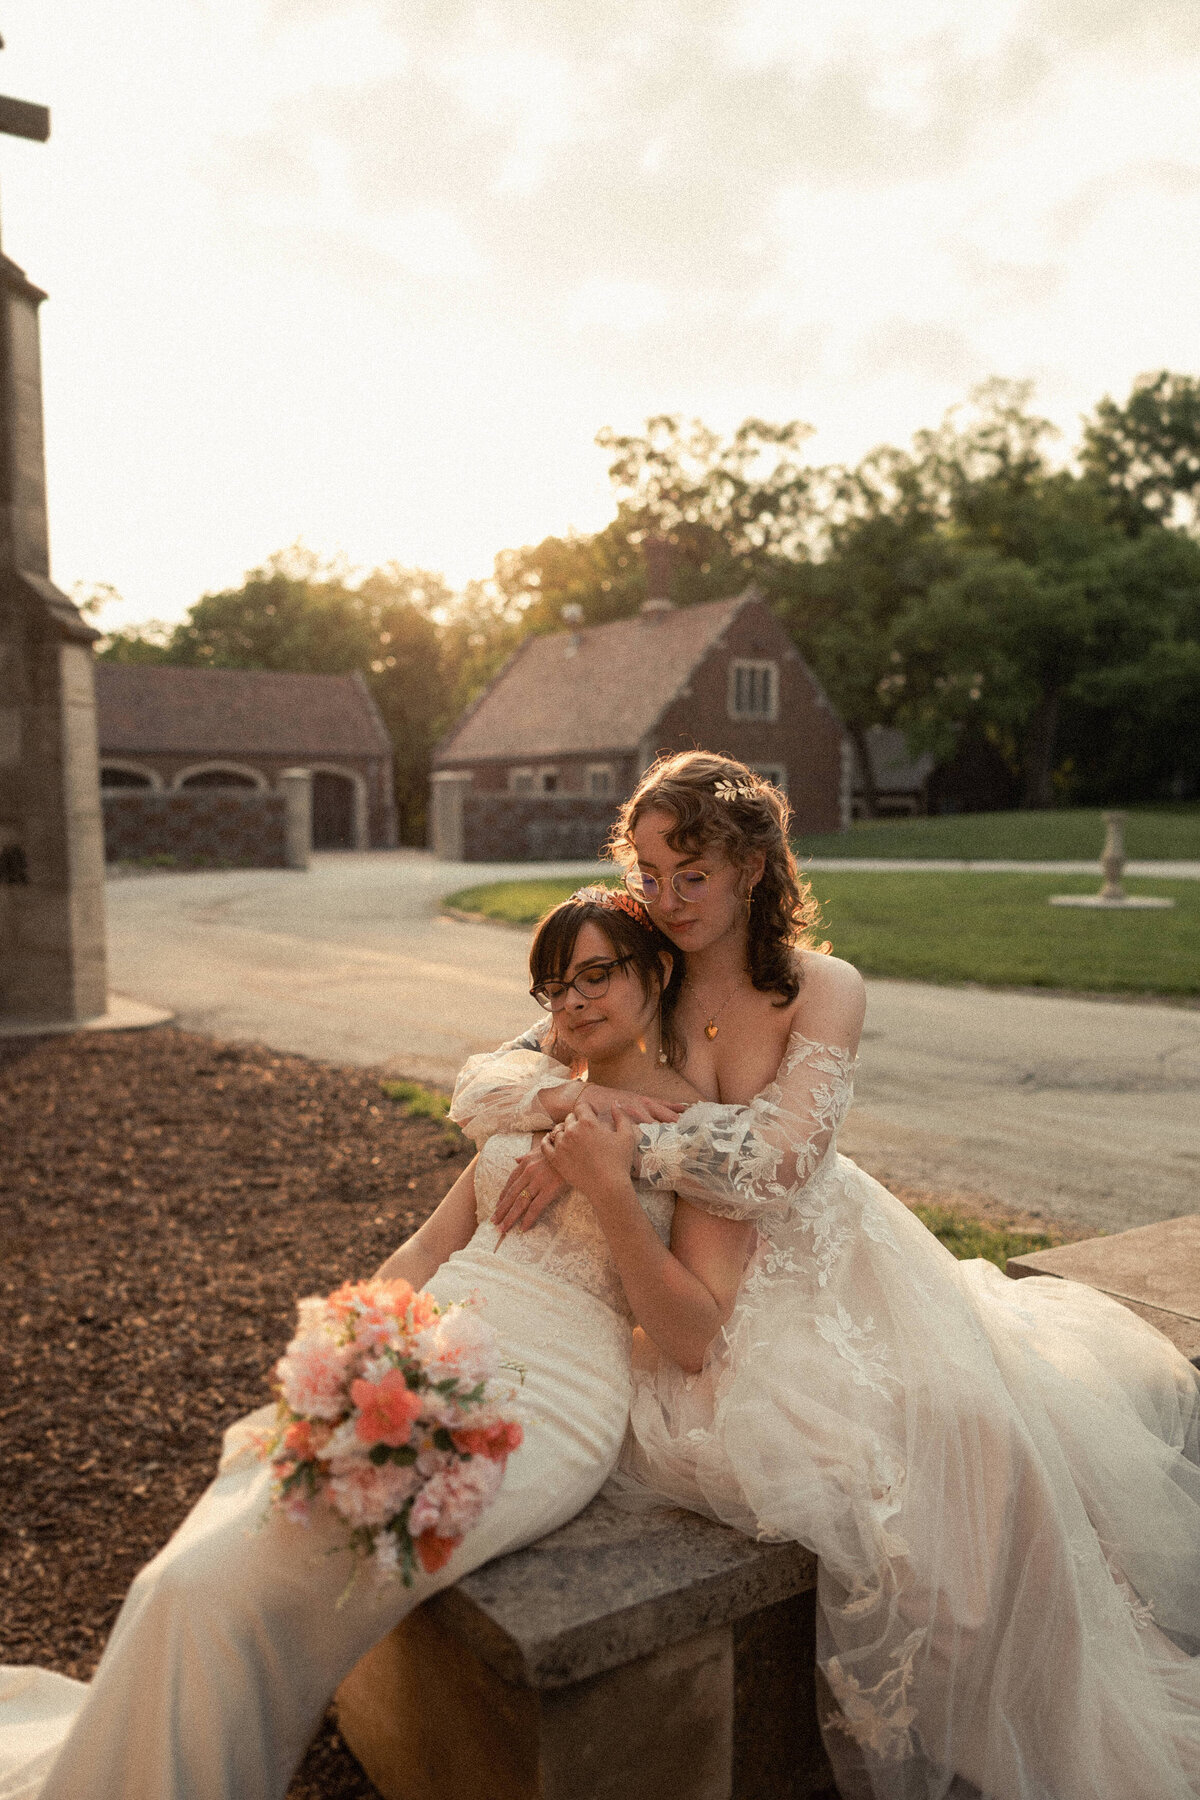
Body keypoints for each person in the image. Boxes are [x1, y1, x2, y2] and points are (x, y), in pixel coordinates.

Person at [449, 749, 1200, 1800]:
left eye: (690, 876)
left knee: (979, 1432)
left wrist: (619, 1137)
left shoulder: (820, 987)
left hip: (842, 1268)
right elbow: (485, 1079)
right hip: (711, 1294)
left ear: (753, 866)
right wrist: (567, 1104)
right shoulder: (642, 963)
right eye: (650, 873)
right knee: (862, 1467)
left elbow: (775, 1165)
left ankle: (1038, 1711)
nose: (664, 900)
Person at [0, 887, 751, 1800]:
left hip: (546, 1395)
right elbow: (434, 1245)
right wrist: (348, 1339)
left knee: (278, 1576)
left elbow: (690, 1337)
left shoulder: (700, 1131)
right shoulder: (536, 1095)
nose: (575, 1003)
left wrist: (608, 1189)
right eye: (556, 988)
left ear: (657, 969)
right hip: (428, 1334)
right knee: (182, 1581)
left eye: (597, 974)